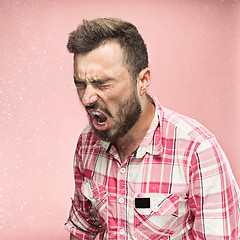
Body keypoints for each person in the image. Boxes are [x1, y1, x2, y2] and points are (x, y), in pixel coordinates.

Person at [64, 18, 240, 240]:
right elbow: (83, 226)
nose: (87, 98)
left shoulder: (198, 150)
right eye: (80, 84)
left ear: (143, 80)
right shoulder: (87, 143)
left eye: (102, 83)